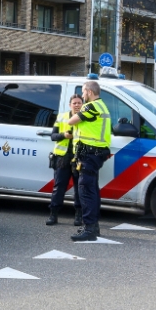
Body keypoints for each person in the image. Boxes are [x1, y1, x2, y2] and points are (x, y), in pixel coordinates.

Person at [67, 80, 111, 242]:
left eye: (84, 92)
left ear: (90, 92)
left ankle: (89, 228)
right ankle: (94, 227)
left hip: (89, 154)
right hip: (95, 154)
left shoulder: (90, 106)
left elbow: (71, 121)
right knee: (92, 190)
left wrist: (74, 112)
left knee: (85, 191)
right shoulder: (102, 105)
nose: (83, 95)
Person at [46, 94, 84, 227]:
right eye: (74, 103)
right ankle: (53, 214)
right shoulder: (62, 117)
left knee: (79, 188)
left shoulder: (85, 119)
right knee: (59, 187)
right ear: (70, 105)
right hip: (62, 158)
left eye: (79, 103)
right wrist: (64, 135)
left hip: (78, 158)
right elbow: (53, 136)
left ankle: (79, 216)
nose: (77, 105)